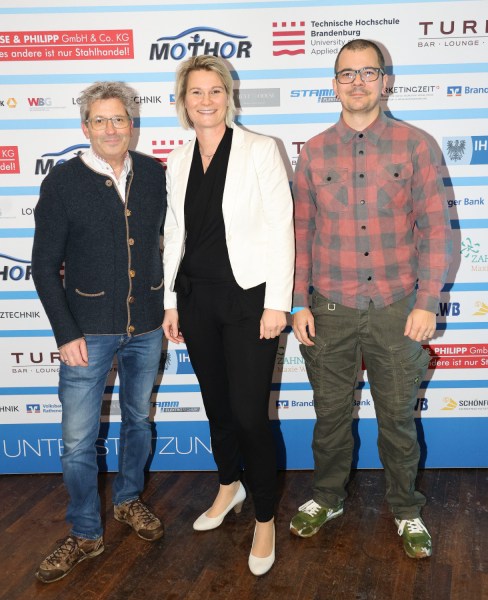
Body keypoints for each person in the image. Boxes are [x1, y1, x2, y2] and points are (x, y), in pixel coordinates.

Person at [290, 39, 452, 559]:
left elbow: (436, 229)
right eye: (347, 73)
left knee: (397, 421)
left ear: (386, 81)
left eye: (367, 72)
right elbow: (301, 232)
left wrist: (427, 301)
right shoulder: (314, 151)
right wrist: (297, 302)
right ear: (333, 84)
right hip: (328, 307)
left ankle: (406, 508)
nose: (357, 82)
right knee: (330, 416)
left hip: (397, 308)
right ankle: (327, 498)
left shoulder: (416, 145)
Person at [162, 55, 294, 576]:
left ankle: (264, 516)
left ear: (228, 96)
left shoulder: (260, 149)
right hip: (196, 299)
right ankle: (228, 485)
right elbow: (175, 232)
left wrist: (277, 302)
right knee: (216, 406)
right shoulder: (177, 158)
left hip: (248, 301)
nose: (206, 100)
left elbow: (281, 227)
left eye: (215, 90)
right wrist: (171, 301)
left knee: (248, 415)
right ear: (183, 100)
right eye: (196, 92)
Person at [31, 81, 167, 583]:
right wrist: (65, 333)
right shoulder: (63, 182)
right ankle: (86, 532)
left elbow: (168, 244)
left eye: (120, 119)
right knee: (77, 442)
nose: (112, 129)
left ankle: (129, 500)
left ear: (133, 124)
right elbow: (44, 267)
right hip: (86, 333)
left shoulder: (153, 174)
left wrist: (168, 305)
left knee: (138, 422)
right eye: (101, 120)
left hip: (146, 326)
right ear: (85, 127)